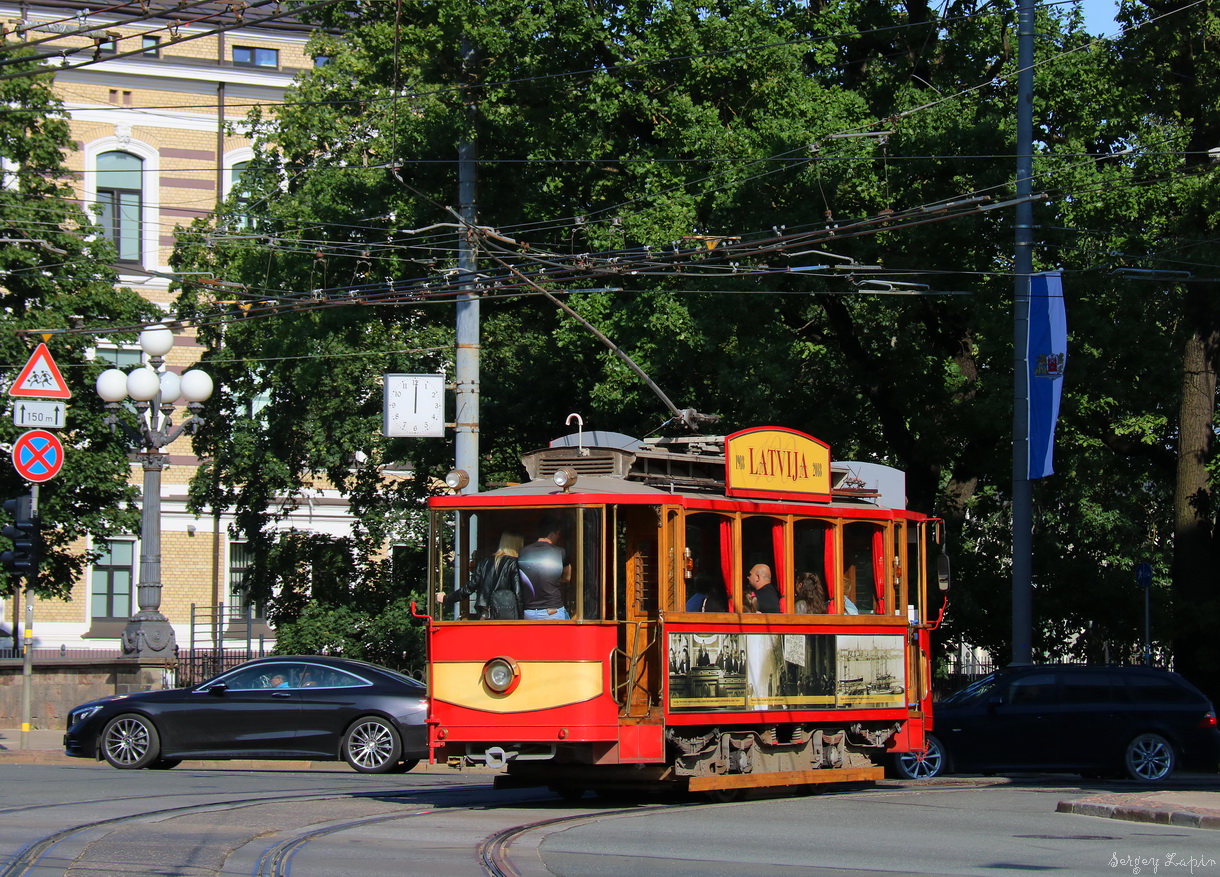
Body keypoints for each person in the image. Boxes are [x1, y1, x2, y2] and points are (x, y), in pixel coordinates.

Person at [437, 531, 524, 619]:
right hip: (507, 613)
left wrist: (447, 599)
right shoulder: (514, 563)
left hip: (485, 612)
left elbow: (469, 587)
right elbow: (518, 593)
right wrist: (522, 617)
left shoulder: (485, 562)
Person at [518, 515, 571, 620]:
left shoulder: (523, 552)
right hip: (553, 611)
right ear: (552, 534)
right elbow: (567, 577)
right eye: (558, 534)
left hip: (529, 612)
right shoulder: (560, 552)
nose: (558, 537)